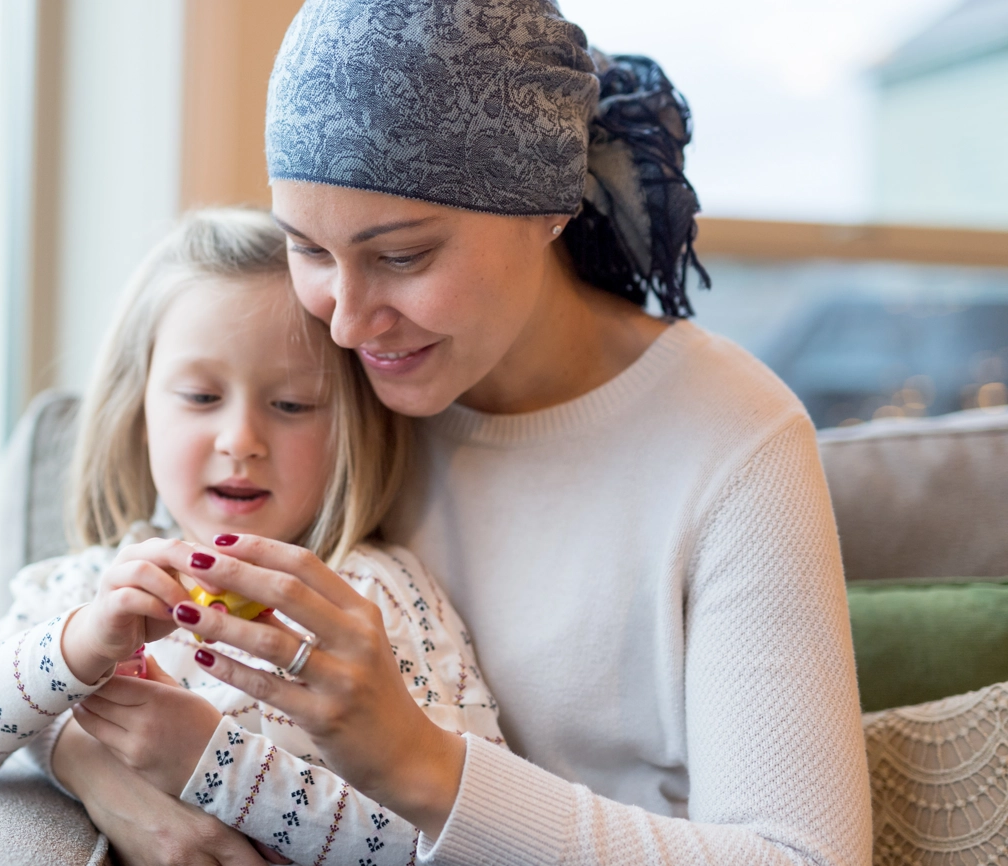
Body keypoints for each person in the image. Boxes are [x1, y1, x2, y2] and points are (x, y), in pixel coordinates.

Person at [55, 1, 872, 865]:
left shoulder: (735, 443)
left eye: (402, 256)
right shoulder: (323, 396)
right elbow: (52, 629)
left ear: (548, 205)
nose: (347, 322)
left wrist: (424, 767)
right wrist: (89, 764)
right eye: (310, 250)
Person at [0, 209, 507, 864]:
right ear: (139, 414)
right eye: (199, 397)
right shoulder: (95, 585)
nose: (241, 441)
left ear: (351, 429)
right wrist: (78, 646)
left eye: (291, 405)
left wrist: (213, 763)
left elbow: (468, 838)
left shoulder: (375, 601)